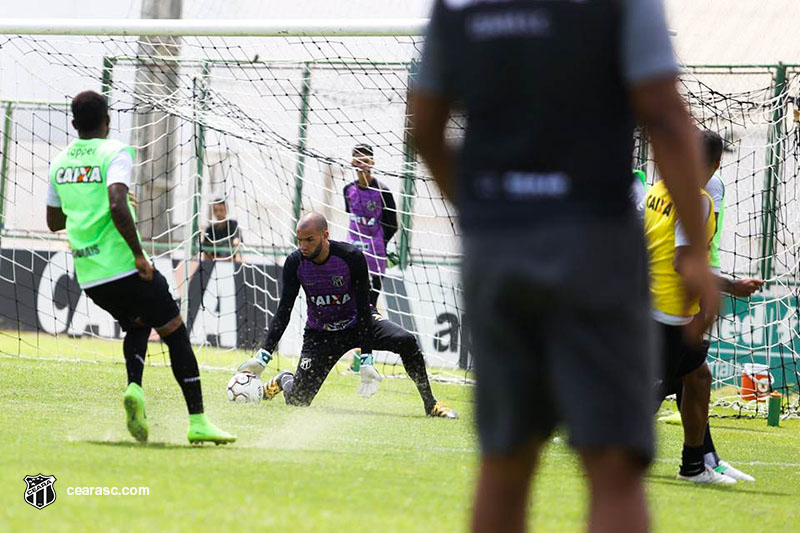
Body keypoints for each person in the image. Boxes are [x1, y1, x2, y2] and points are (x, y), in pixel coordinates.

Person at [411, 1, 720, 532]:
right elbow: (664, 115)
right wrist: (693, 250)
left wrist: (480, 212)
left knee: (505, 464)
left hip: (499, 246)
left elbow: (425, 123)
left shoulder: (458, 6)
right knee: (614, 468)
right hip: (595, 243)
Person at [45, 90, 235, 445]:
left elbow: (54, 221)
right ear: (107, 121)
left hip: (90, 274)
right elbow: (118, 203)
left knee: (137, 323)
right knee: (175, 332)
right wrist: (138, 255)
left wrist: (88, 204)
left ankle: (135, 387)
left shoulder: (58, 163)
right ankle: (198, 421)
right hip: (124, 266)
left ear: (74, 123)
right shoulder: (114, 152)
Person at [236, 212, 456, 418]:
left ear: (325, 236)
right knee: (297, 401)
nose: (303, 246)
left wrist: (366, 358)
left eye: (309, 240)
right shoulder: (295, 263)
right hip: (321, 334)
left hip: (357, 323)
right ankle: (285, 379)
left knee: (406, 341)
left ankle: (431, 404)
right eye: (299, 240)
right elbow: (284, 310)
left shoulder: (351, 257)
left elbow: (364, 309)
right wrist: (263, 354)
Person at [646, 131, 762, 482]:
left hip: (652, 304)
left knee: (698, 378)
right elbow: (684, 264)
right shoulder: (696, 201)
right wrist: (732, 287)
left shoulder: (657, 190)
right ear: (716, 163)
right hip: (672, 312)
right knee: (655, 393)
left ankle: (698, 464)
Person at [343, 144, 398, 307]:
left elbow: (393, 224)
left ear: (372, 163)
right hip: (354, 249)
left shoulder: (383, 191)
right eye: (357, 161)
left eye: (365, 161)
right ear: (353, 163)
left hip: (375, 252)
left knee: (370, 302)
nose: (361, 165)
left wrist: (380, 242)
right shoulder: (348, 190)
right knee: (350, 296)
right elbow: (351, 215)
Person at [202, 198, 243, 262]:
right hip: (214, 260)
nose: (218, 213)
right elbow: (205, 248)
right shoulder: (210, 230)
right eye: (215, 210)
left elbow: (236, 241)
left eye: (221, 210)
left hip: (231, 260)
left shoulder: (233, 225)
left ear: (226, 211)